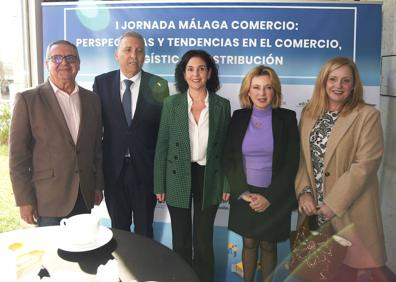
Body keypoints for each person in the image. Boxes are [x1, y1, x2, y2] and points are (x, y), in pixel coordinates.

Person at [295, 57, 390, 281]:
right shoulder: (309, 113)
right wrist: (304, 192)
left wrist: (332, 204)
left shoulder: (367, 116)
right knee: (315, 274)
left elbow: (365, 166)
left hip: (351, 211)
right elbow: (302, 160)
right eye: (333, 79)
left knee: (348, 274)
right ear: (323, 82)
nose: (338, 86)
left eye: (345, 80)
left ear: (354, 85)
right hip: (314, 213)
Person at [154, 49, 230, 282]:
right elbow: (162, 145)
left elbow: (227, 149)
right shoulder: (171, 103)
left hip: (210, 177)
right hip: (178, 175)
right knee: (182, 240)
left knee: (204, 240)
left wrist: (226, 183)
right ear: (183, 74)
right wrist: (159, 183)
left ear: (209, 73)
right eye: (190, 69)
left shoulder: (222, 105)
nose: (195, 74)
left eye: (201, 69)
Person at [9, 40, 104, 226]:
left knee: (80, 250)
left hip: (83, 195)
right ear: (47, 63)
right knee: (51, 253)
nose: (64, 63)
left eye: (70, 58)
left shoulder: (92, 100)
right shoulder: (28, 100)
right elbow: (18, 157)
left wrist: (98, 185)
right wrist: (24, 200)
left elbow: (96, 148)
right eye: (57, 58)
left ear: (78, 63)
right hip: (48, 199)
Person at [223, 65, 300, 282]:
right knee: (248, 242)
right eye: (256, 87)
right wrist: (243, 192)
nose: (262, 93)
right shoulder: (238, 117)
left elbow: (292, 162)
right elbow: (228, 158)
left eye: (268, 88)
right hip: (246, 193)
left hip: (274, 193)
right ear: (248, 91)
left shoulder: (287, 118)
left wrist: (269, 197)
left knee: (268, 244)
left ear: (275, 91)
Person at [93, 31, 169, 237]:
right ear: (117, 55)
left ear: (145, 56)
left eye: (139, 51)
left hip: (145, 172)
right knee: (119, 230)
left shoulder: (159, 85)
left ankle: (145, 269)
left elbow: (163, 135)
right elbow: (94, 129)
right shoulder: (101, 83)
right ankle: (122, 269)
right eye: (128, 50)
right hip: (113, 172)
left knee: (145, 230)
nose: (133, 55)